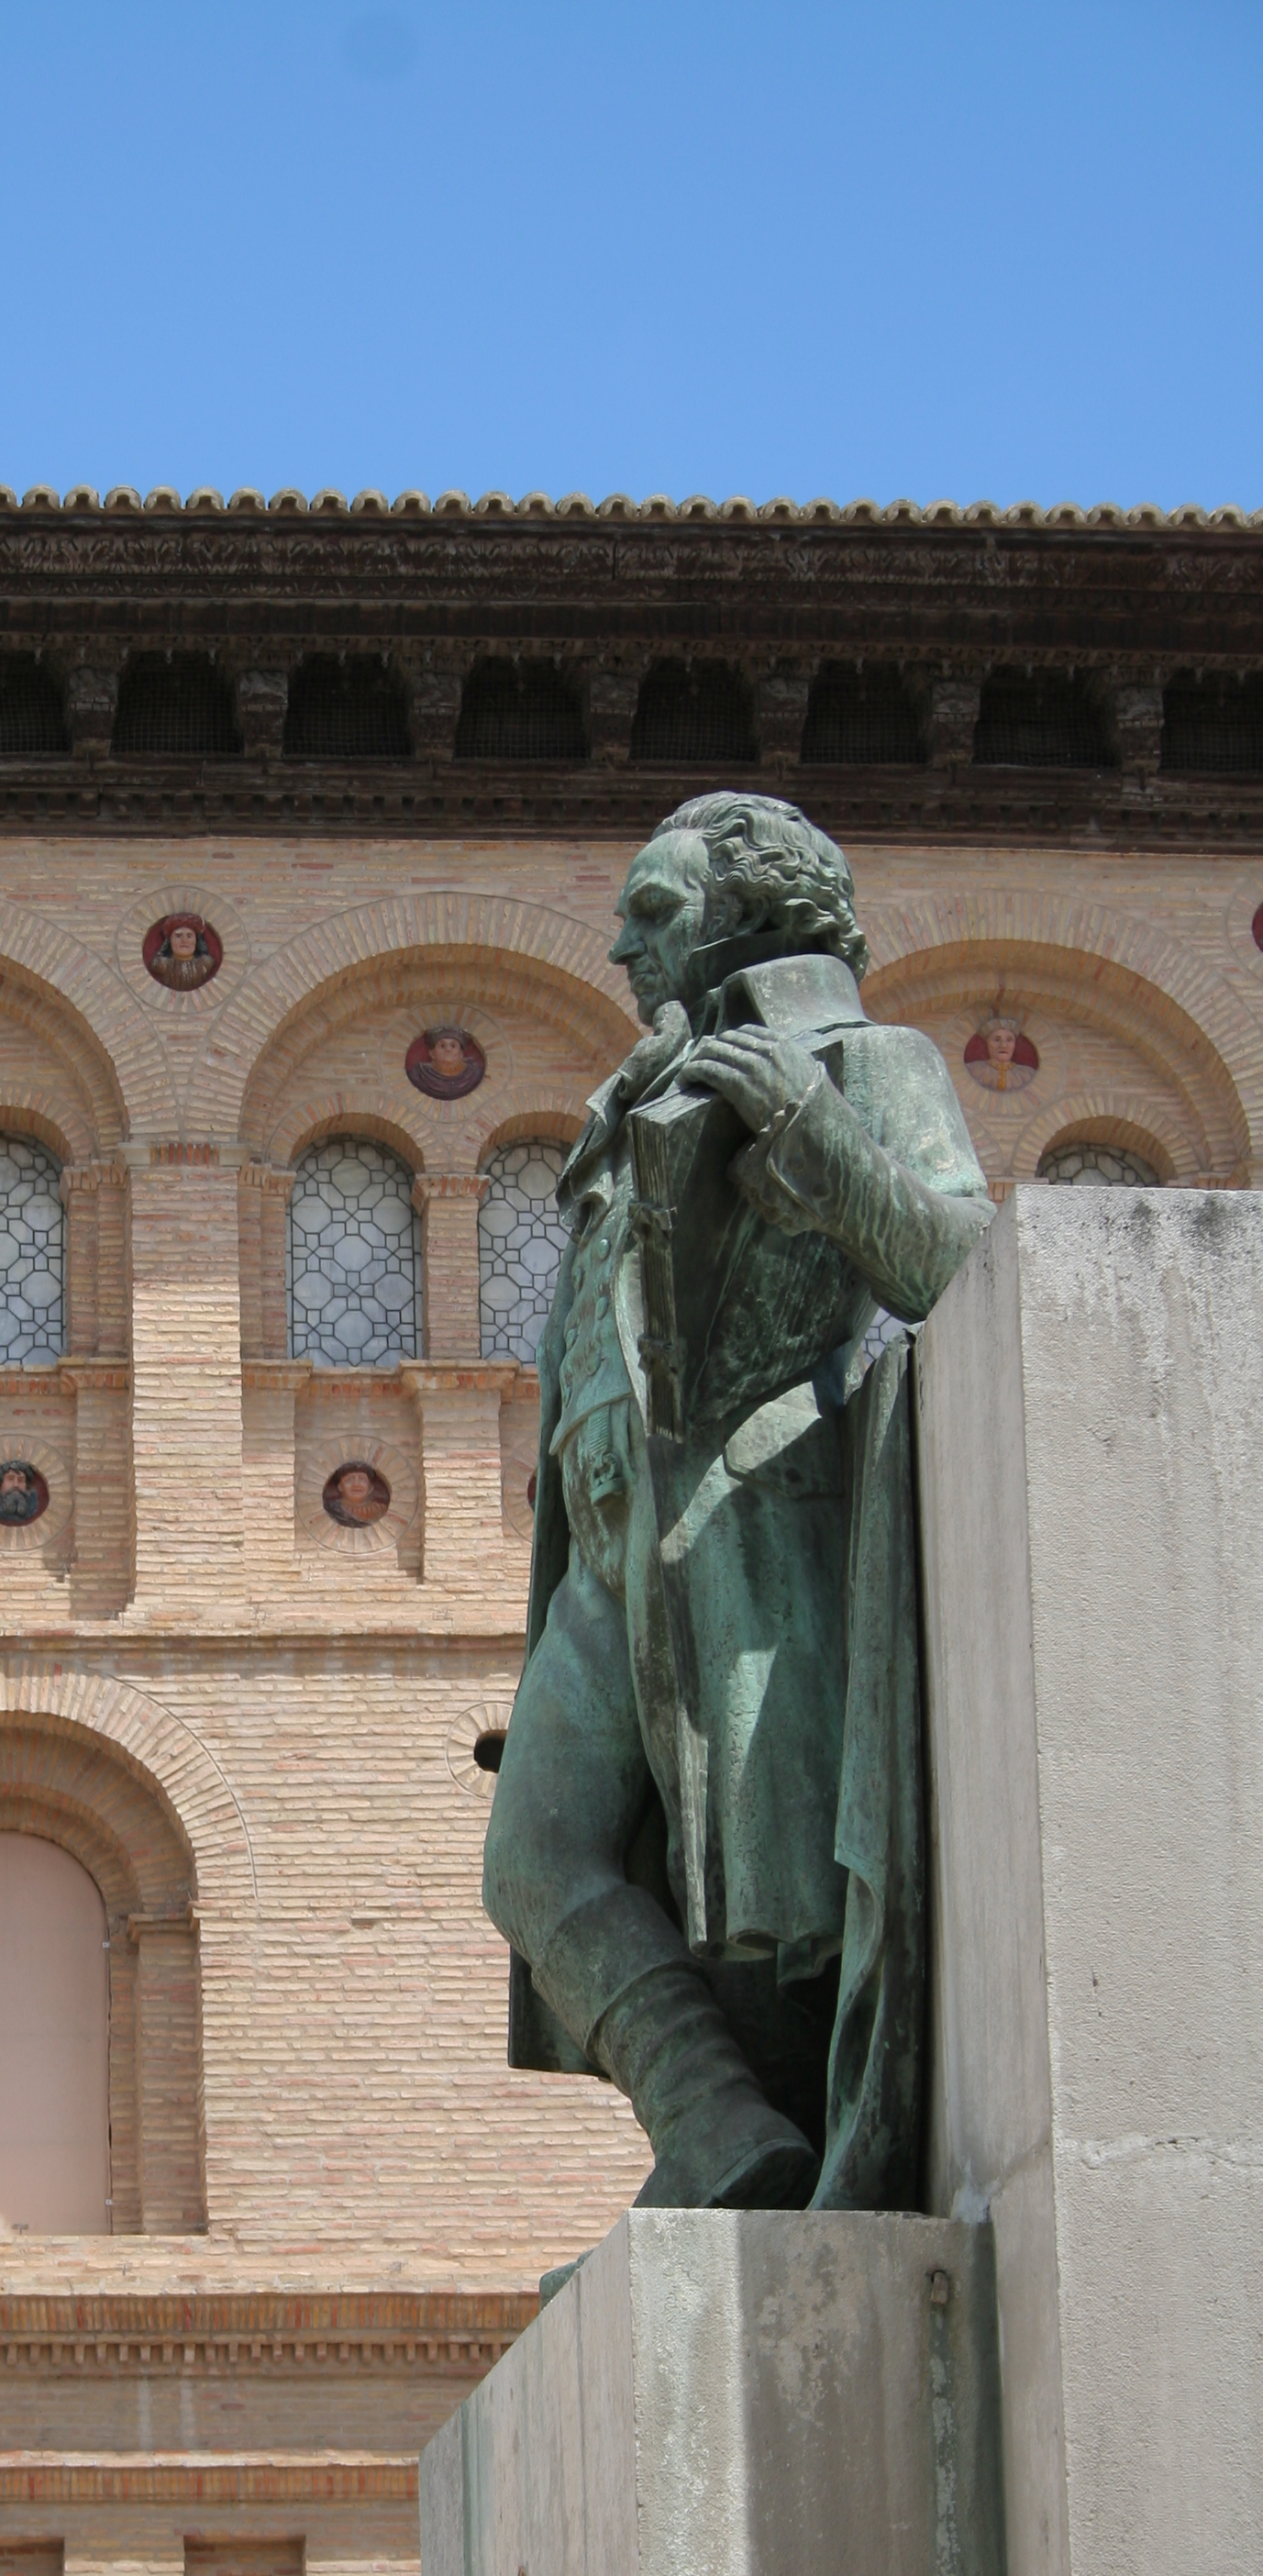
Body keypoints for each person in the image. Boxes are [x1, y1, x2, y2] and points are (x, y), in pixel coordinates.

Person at [482, 794, 992, 2219]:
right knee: (535, 1860)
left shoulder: (863, 1061)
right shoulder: (629, 1106)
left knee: (770, 1897)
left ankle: (768, 2142)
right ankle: (713, 2128)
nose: (622, 948)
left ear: (755, 911)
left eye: (654, 911)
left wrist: (819, 1138)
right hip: (606, 1544)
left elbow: (965, 1263)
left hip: (751, 1512)